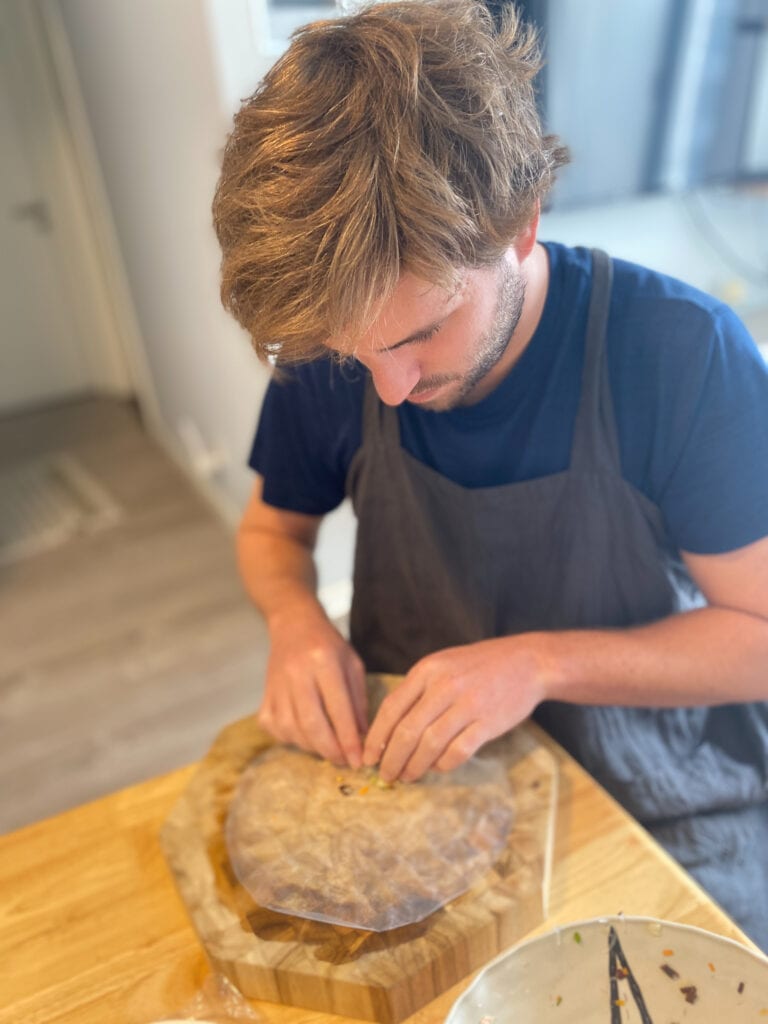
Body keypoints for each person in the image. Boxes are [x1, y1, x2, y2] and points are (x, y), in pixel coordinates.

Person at [212, 0, 768, 948]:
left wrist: (540, 664)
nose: (388, 386)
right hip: (410, 788)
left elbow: (757, 635)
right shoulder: (339, 344)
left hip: (655, 799)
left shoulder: (682, 355)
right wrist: (296, 623)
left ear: (519, 222)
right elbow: (274, 533)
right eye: (355, 354)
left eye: (422, 333)